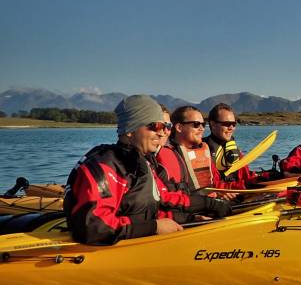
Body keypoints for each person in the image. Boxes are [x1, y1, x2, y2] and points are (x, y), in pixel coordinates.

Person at [63, 95, 228, 245]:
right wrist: (153, 227)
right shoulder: (104, 166)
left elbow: (150, 210)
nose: (162, 133)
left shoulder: (141, 163)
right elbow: (94, 228)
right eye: (155, 126)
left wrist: (191, 218)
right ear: (130, 130)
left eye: (165, 127)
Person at [203, 103, 275, 189]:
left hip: (236, 191)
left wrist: (265, 177)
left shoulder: (234, 149)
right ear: (213, 124)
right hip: (220, 193)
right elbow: (207, 185)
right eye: (226, 124)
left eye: (234, 124)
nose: (231, 128)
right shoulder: (202, 151)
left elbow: (246, 176)